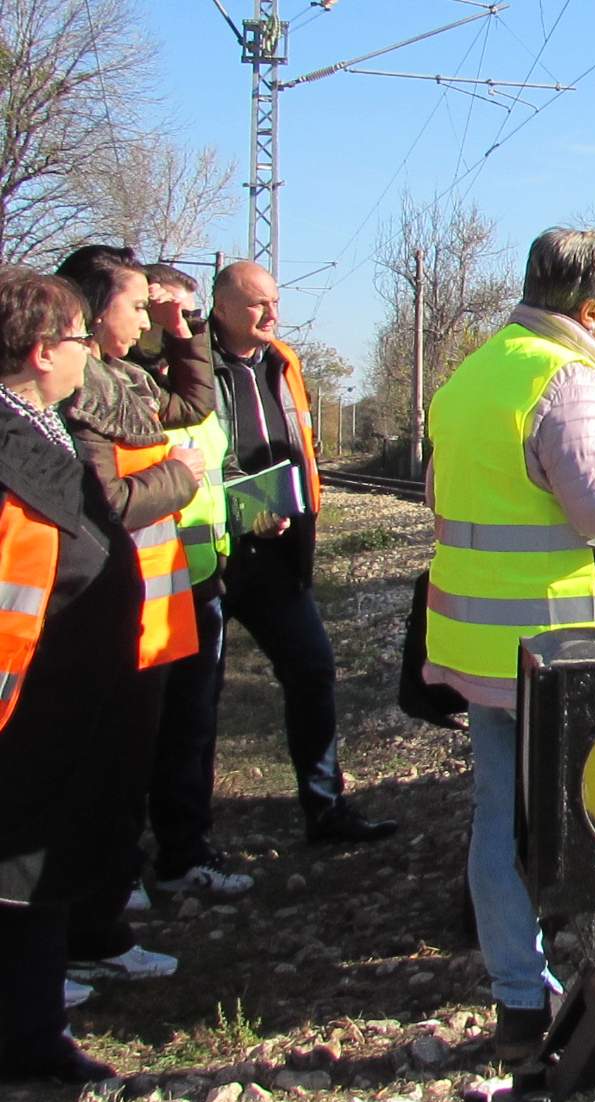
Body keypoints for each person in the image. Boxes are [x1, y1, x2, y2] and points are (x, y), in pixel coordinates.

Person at [425, 227, 595, 1061]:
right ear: (589, 308)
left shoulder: (479, 369)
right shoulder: (569, 382)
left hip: (481, 643)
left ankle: (519, 1003)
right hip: (561, 645)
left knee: (500, 821)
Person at [53, 245, 210, 982]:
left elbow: (191, 404)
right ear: (89, 309)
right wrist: (180, 477)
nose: (147, 315)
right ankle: (90, 934)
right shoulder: (80, 397)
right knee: (101, 782)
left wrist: (184, 332)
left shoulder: (123, 380)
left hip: (144, 606)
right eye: (137, 305)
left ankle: (99, 911)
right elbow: (103, 506)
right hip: (106, 613)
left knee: (126, 774)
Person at [0, 270, 140, 1081]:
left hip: (61, 698)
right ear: (44, 349)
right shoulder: (12, 443)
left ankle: (33, 1026)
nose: (93, 354)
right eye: (84, 339)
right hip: (24, 704)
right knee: (19, 872)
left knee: (40, 869)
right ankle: (27, 1042)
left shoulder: (44, 426)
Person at [209, 261, 397, 844]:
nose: (270, 314)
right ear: (221, 306)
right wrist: (244, 508)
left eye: (274, 302)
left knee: (313, 669)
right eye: (256, 304)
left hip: (280, 555)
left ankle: (326, 809)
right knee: (195, 701)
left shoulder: (281, 361)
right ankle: (180, 841)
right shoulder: (192, 365)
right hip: (210, 558)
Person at [130, 265, 254, 898]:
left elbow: (217, 461)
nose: (181, 329)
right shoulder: (120, 389)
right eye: (166, 315)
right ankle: (116, 870)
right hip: (138, 590)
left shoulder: (193, 387)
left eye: (192, 317)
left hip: (200, 580)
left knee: (190, 728)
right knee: (130, 739)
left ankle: (183, 853)